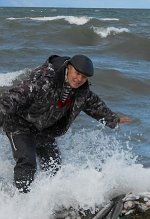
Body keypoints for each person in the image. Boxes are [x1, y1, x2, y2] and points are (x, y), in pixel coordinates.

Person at [0, 54, 130, 193]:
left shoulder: (82, 92)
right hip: (19, 124)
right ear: (69, 67)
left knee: (54, 165)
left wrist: (113, 120)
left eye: (84, 77)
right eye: (77, 73)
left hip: (44, 129)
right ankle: (21, 200)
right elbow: (10, 99)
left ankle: (46, 200)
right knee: (27, 162)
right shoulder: (44, 82)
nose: (79, 79)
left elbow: (93, 104)